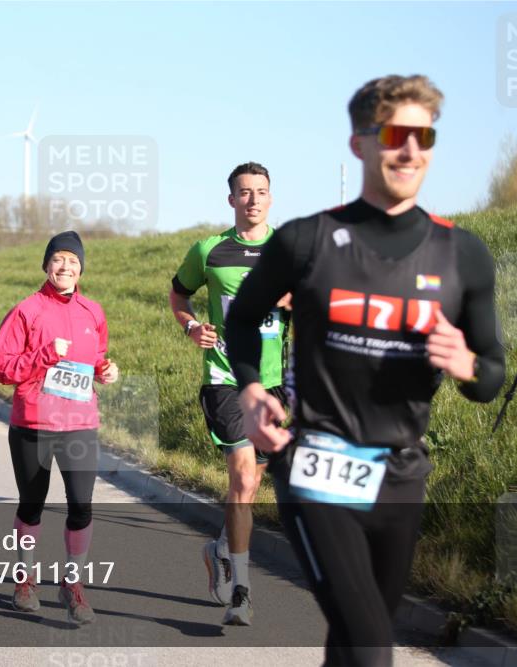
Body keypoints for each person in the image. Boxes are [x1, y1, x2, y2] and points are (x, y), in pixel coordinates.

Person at [226, 75, 505, 666]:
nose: (411, 149)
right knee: (373, 643)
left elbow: (492, 379)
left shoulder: (463, 255)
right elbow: (243, 318)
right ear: (360, 144)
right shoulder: (308, 241)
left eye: (423, 135)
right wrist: (251, 387)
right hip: (317, 466)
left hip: (400, 476)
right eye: (395, 134)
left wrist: (468, 364)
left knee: (354, 642)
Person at [169, 161, 289, 626]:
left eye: (261, 191)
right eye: (244, 192)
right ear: (231, 200)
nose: (253, 199)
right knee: (241, 477)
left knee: (252, 484)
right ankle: (242, 591)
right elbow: (179, 297)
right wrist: (192, 326)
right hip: (223, 379)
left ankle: (220, 549)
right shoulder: (210, 251)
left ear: (271, 198)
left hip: (273, 383)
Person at [0, 231, 119, 625]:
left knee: (82, 505)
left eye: (73, 262)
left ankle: (72, 584)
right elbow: (1, 368)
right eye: (59, 260)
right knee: (32, 505)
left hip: (79, 423)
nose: (65, 268)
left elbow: (96, 356)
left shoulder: (92, 312)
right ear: (47, 265)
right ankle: (25, 580)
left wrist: (105, 370)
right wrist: (44, 355)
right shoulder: (27, 310)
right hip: (33, 423)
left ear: (81, 269)